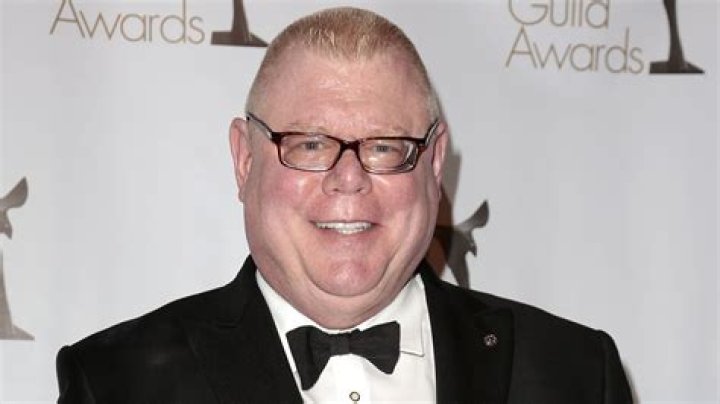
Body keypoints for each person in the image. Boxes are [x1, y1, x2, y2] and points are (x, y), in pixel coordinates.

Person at [56, 7, 633, 403]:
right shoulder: (116, 383)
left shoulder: (576, 373)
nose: (349, 179)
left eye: (385, 147)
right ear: (244, 160)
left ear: (435, 165)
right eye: (309, 144)